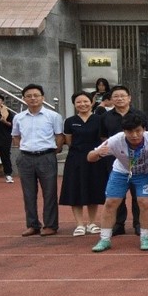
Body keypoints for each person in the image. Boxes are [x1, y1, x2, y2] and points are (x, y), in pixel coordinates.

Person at [88, 113, 148, 252]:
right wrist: (98, 153)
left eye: (138, 131)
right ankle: (105, 239)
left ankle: (145, 237)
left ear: (144, 129)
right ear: (124, 131)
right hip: (121, 172)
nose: (134, 135)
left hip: (145, 173)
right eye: (130, 132)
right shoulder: (115, 140)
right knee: (111, 202)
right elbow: (90, 157)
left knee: (145, 202)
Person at [12, 84, 64, 237]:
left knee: (50, 193)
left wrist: (52, 152)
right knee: (28, 193)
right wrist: (24, 148)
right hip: (25, 158)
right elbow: (16, 136)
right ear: (24, 99)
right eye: (29, 96)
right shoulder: (18, 117)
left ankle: (50, 225)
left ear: (43, 98)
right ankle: (32, 225)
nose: (33, 98)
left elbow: (59, 136)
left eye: (36, 95)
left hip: (46, 157)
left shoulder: (53, 116)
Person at [99, 85, 148, 236]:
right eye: (116, 96)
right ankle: (118, 223)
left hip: (138, 158)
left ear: (129, 98)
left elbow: (147, 134)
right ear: (111, 99)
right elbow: (103, 137)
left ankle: (138, 224)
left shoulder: (140, 114)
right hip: (115, 159)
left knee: (138, 195)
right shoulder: (105, 117)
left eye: (123, 96)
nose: (119, 98)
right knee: (116, 195)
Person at [59, 91, 107, 237]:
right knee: (75, 189)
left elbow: (103, 139)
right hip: (76, 159)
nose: (82, 104)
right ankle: (79, 224)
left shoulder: (100, 119)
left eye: (85, 101)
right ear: (74, 104)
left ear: (92, 102)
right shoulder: (69, 121)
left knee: (94, 189)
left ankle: (92, 223)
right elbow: (69, 141)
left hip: (95, 158)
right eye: (78, 102)